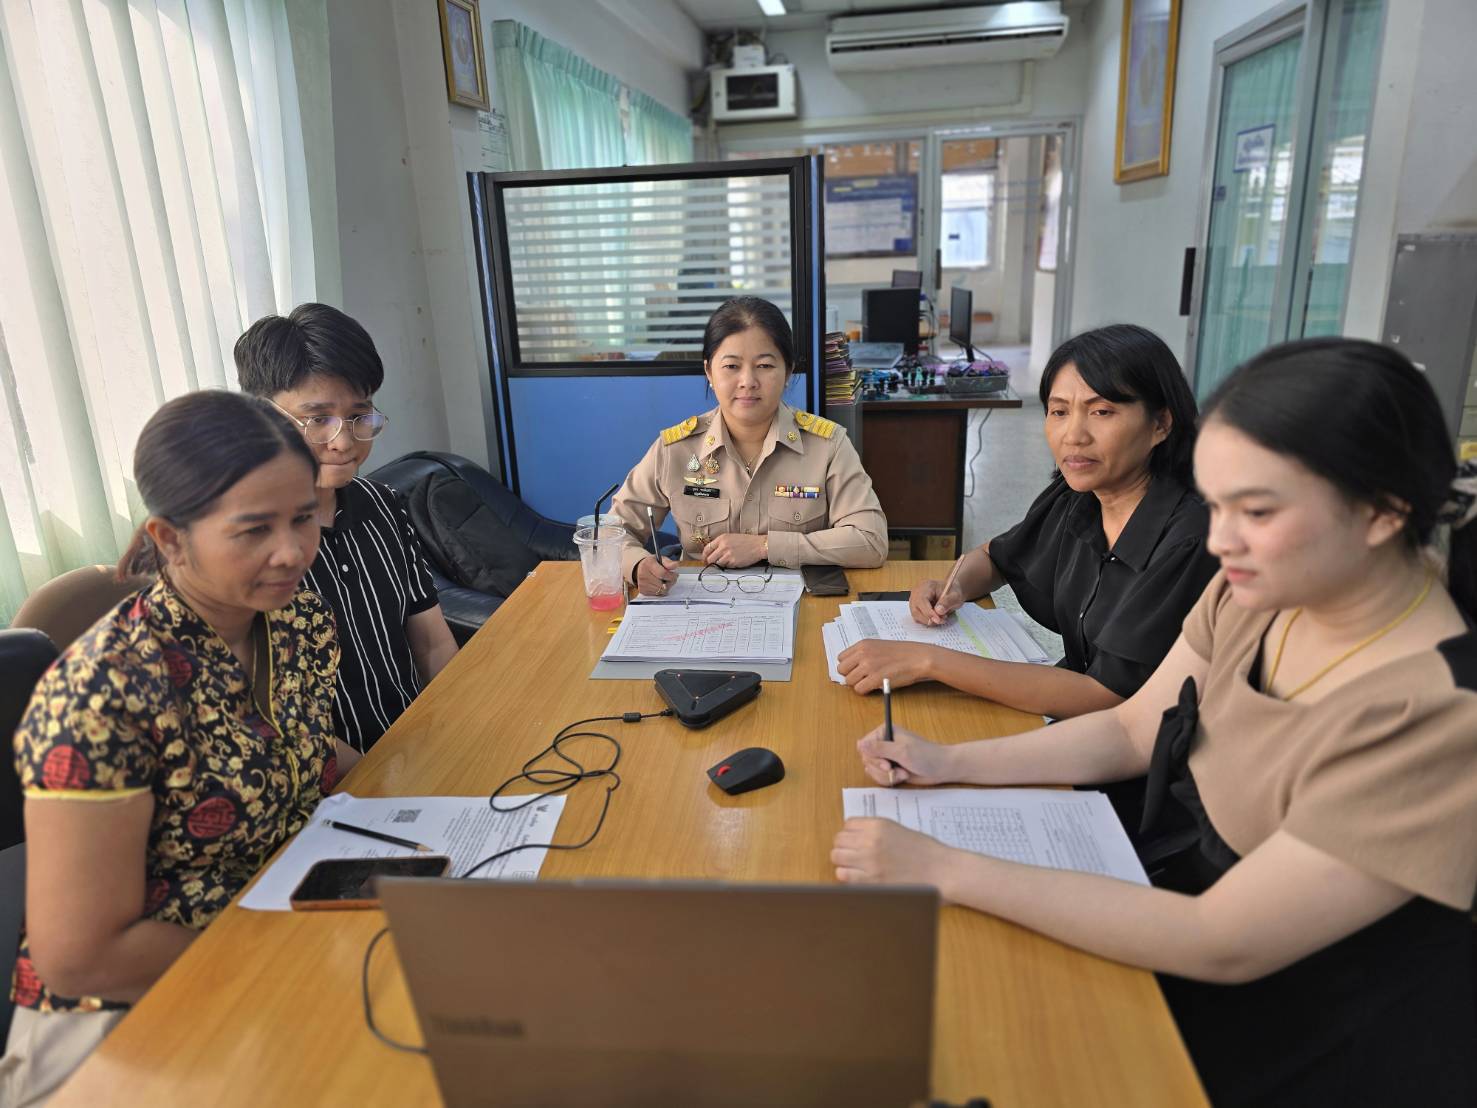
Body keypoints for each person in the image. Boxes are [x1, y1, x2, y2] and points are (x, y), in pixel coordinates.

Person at [832, 338, 1477, 1107]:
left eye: (1257, 511)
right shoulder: (1256, 594)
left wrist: (946, 869)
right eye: (1218, 503)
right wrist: (950, 762)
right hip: (1170, 887)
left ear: (1381, 511)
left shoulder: (1436, 715)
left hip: (1301, 1018)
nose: (1218, 539)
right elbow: (1132, 729)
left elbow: (1224, 941)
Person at [2, 392, 360, 1106]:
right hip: (127, 1021)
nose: (291, 552)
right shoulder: (103, 694)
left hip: (284, 933)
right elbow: (81, 959)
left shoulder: (295, 620)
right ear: (168, 539)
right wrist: (285, 962)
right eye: (253, 530)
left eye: (302, 518)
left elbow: (308, 750)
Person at [838, 324, 1218, 720]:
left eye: (1102, 411)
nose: (1074, 435)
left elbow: (1108, 695)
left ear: (1161, 424)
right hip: (1078, 721)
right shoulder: (1078, 497)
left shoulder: (1190, 538)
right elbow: (997, 556)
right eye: (1059, 411)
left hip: (1149, 753)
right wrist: (952, 587)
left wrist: (930, 662)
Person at [235, 303, 457, 752]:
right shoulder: (240, 550)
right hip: (331, 793)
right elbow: (277, 722)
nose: (343, 442)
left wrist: (461, 730)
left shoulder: (384, 505)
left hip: (421, 747)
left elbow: (431, 643)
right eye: (317, 420)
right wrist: (384, 786)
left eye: (359, 417)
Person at [610, 296, 887, 595]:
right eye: (731, 366)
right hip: (702, 605)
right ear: (709, 372)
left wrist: (766, 546)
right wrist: (636, 566)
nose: (748, 381)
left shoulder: (827, 445)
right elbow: (609, 532)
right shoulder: (675, 449)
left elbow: (870, 541)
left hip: (801, 604)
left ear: (788, 372)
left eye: (765, 365)